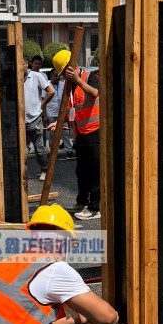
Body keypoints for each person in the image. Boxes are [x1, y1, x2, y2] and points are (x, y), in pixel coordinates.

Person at [61, 50, 100, 220]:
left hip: (94, 132)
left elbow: (94, 93)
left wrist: (77, 80)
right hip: (80, 135)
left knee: (94, 172)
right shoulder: (71, 85)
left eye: (65, 73)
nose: (64, 77)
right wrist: (60, 122)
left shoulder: (88, 77)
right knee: (81, 171)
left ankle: (94, 208)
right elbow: (74, 109)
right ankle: (82, 201)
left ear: (73, 68)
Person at [25, 54, 55, 180]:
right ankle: (23, 171)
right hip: (21, 120)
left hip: (35, 118)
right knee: (22, 149)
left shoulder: (37, 76)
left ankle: (44, 170)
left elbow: (51, 91)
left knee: (39, 149)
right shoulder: (15, 78)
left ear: (26, 65)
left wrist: (41, 105)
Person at [45, 61, 74, 157]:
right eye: (55, 76)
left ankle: (68, 150)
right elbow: (43, 100)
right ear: (50, 76)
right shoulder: (46, 86)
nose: (57, 77)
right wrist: (44, 115)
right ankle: (53, 151)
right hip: (51, 113)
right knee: (53, 134)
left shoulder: (63, 84)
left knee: (65, 132)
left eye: (58, 76)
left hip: (62, 113)